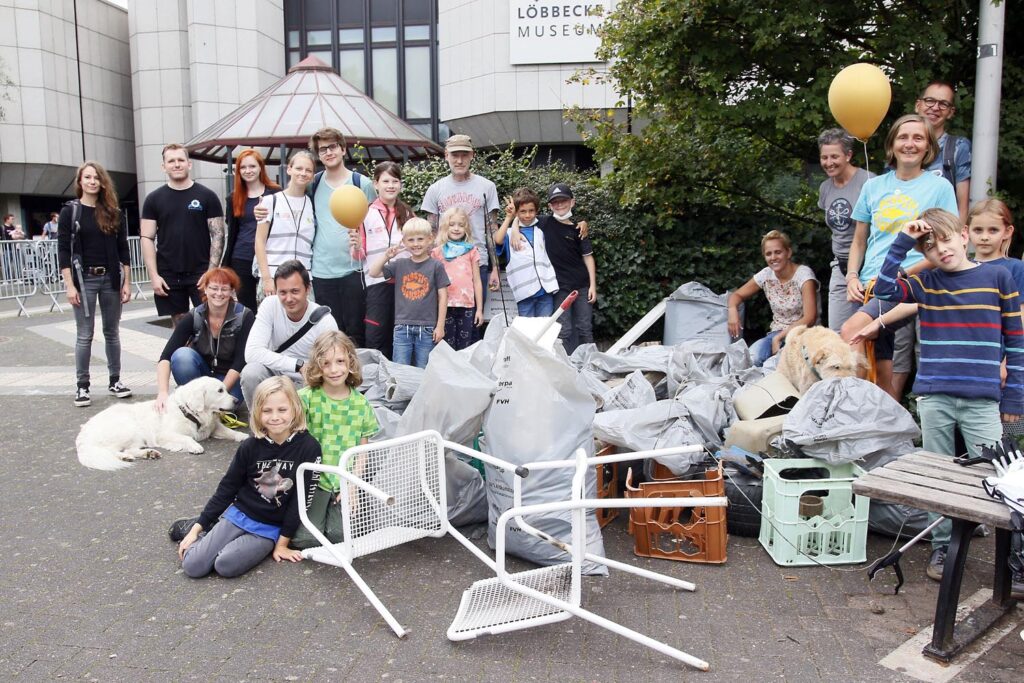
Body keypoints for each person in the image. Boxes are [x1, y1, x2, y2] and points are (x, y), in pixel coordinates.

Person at [872, 208, 1023, 581]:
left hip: (982, 397)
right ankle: (942, 547)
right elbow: (885, 288)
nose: (940, 249)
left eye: (945, 239)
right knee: (936, 478)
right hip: (935, 395)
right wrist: (904, 241)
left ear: (964, 236)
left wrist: (1015, 398)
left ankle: (1012, 554)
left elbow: (1017, 342)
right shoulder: (927, 283)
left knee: (998, 472)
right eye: (930, 245)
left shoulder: (999, 276)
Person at [840, 114, 958, 401]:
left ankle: (855, 407)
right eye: (903, 137)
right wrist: (852, 276)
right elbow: (859, 241)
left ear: (928, 147)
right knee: (882, 363)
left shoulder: (939, 187)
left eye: (918, 138)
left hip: (910, 283)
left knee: (851, 331)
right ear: (892, 145)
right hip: (869, 283)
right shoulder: (873, 186)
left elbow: (948, 245)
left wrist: (904, 275)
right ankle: (886, 421)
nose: (910, 144)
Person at [175, 376, 323, 578]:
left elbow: (300, 501)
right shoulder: (250, 446)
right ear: (257, 412)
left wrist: (282, 544)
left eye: (282, 410)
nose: (275, 417)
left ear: (295, 409)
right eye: (267, 411)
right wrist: (196, 528)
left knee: (225, 565)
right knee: (193, 566)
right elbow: (227, 488)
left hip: (267, 529)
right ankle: (203, 531)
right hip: (239, 515)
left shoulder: (309, 448)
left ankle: (217, 543)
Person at [290, 331, 379, 550]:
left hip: (345, 479)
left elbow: (362, 450)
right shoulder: (306, 397)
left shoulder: (361, 404)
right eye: (326, 363)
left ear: (350, 361)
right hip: (313, 480)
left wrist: (353, 486)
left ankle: (342, 510)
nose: (333, 369)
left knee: (340, 536)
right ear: (317, 366)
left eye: (340, 361)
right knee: (305, 540)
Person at [57, 161, 132, 407]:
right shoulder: (71, 211)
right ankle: (82, 386)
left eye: (96, 178)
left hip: (110, 278)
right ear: (80, 182)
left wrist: (126, 282)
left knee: (112, 332)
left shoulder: (113, 212)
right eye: (87, 177)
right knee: (84, 334)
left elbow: (123, 249)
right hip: (83, 279)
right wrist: (69, 285)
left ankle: (115, 380)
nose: (91, 181)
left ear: (102, 182)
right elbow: (63, 251)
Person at [140, 143, 225, 326]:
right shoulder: (153, 199)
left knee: (210, 324)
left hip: (201, 273)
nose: (176, 164)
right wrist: (154, 275)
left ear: (189, 164)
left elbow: (218, 235)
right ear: (164, 166)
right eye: (171, 161)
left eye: (180, 160)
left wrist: (211, 271)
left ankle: (209, 356)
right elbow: (147, 238)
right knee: (180, 327)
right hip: (169, 274)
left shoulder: (207, 196)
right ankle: (182, 355)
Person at [307, 127, 376, 344]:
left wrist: (362, 243)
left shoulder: (361, 183)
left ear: (343, 149)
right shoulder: (313, 184)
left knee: (356, 334)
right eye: (322, 149)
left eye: (332, 146)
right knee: (329, 335)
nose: (328, 152)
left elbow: (376, 224)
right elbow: (290, 198)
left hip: (353, 270)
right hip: (322, 271)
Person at [508, 183, 596, 353]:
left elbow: (588, 257)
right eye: (555, 202)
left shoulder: (579, 228)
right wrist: (514, 230)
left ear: (572, 202)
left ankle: (591, 364)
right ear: (550, 206)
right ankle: (567, 365)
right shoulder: (545, 222)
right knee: (563, 329)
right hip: (558, 287)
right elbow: (522, 216)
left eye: (564, 201)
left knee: (585, 326)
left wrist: (593, 284)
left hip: (582, 285)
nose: (560, 205)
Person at [155, 267, 255, 412]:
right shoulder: (194, 315)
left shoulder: (245, 316)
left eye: (224, 289)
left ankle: (204, 406)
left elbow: (241, 361)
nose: (219, 293)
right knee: (181, 355)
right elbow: (165, 357)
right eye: (214, 288)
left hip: (230, 377)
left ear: (232, 291)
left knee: (227, 409)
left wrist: (219, 393)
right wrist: (162, 393)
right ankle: (195, 402)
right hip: (203, 375)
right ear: (205, 289)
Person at [241, 260, 338, 409]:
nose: (289, 299)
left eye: (295, 291)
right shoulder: (269, 305)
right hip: (275, 374)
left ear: (307, 289)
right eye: (283, 292)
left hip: (308, 382)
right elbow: (252, 353)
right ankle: (260, 428)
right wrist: (297, 365)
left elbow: (332, 366)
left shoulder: (325, 321)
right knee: (251, 372)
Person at [421, 134, 500, 298]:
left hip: (477, 264)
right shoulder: (435, 189)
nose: (459, 160)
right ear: (446, 155)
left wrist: (495, 269)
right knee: (445, 318)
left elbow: (492, 230)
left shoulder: (487, 187)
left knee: (474, 319)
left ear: (472, 155)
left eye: (464, 155)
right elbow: (431, 233)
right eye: (455, 155)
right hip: (444, 264)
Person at [727, 230, 818, 367]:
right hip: (775, 333)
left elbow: (810, 317)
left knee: (782, 365)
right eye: (768, 254)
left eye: (778, 252)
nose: (773, 257)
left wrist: (780, 338)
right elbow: (736, 295)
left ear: (788, 253)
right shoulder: (766, 275)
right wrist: (732, 310)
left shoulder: (804, 276)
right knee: (751, 360)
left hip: (802, 334)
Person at [351, 162, 414, 358]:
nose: (391, 185)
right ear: (375, 184)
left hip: (405, 284)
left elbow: (419, 246)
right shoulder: (364, 212)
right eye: (386, 181)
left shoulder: (408, 213)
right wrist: (356, 246)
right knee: (376, 334)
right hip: (376, 283)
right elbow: (359, 255)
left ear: (401, 185)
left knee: (402, 335)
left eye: (395, 181)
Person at [367, 218, 450, 368]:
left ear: (430, 239)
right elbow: (373, 272)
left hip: (427, 328)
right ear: (404, 242)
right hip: (401, 327)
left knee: (423, 370)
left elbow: (443, 296)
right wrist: (387, 256)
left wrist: (440, 326)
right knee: (399, 370)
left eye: (420, 239)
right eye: (411, 240)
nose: (416, 244)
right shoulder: (400, 264)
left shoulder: (436, 266)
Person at [817, 128, 874, 332]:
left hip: (868, 266)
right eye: (824, 157)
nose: (828, 162)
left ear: (848, 155)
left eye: (834, 156)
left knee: (867, 332)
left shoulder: (868, 181)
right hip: (839, 267)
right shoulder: (825, 188)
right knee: (837, 334)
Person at [254, 150, 316, 301]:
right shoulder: (271, 201)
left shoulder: (312, 204)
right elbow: (259, 242)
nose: (303, 173)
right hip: (274, 278)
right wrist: (267, 278)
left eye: (308, 170)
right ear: (289, 169)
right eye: (299, 168)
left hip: (303, 278)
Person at [224, 149, 279, 311]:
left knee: (272, 305)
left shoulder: (275, 193)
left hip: (270, 257)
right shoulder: (233, 198)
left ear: (261, 167)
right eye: (243, 167)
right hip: (242, 258)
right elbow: (232, 230)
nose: (248, 171)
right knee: (246, 309)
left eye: (252, 166)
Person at [493, 188, 559, 317]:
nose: (527, 215)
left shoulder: (541, 229)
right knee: (525, 332)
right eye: (522, 211)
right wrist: (509, 218)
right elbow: (498, 239)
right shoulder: (510, 233)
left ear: (536, 211)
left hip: (545, 291)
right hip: (524, 294)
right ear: (517, 212)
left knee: (544, 329)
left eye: (531, 211)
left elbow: (562, 223)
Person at [915, 80, 971, 223]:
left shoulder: (958, 147)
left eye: (943, 104)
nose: (935, 107)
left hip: (941, 234)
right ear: (918, 105)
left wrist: (959, 241)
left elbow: (962, 206)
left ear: (951, 112)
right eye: (929, 100)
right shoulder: (901, 144)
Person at [432, 206, 482, 350]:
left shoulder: (472, 250)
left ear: (466, 228)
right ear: (444, 227)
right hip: (444, 306)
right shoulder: (437, 252)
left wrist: (479, 309)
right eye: (452, 224)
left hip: (467, 305)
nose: (456, 228)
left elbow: (477, 281)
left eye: (461, 225)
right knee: (446, 347)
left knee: (464, 347)